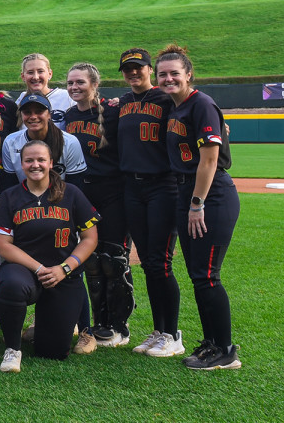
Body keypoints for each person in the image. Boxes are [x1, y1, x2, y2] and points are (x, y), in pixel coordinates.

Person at [157, 45, 241, 370]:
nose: (168, 78)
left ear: (188, 74)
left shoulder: (201, 104)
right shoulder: (176, 107)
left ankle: (225, 351)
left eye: (174, 73)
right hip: (189, 194)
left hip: (210, 196)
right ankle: (212, 344)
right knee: (197, 275)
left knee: (207, 276)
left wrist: (197, 204)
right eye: (162, 74)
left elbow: (210, 160)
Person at [0, 140, 99, 372]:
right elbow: (2, 245)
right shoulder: (10, 197)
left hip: (62, 274)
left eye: (41, 159)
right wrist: (39, 268)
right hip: (25, 271)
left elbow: (90, 238)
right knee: (11, 284)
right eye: (29, 160)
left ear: (51, 163)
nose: (35, 164)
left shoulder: (71, 193)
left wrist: (65, 268)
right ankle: (13, 348)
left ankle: (42, 327)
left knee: (52, 351)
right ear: (21, 164)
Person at [115, 47, 182, 357]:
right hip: (132, 187)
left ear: (149, 69)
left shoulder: (166, 100)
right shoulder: (123, 102)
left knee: (160, 262)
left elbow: (194, 117)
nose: (133, 73)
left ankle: (172, 333)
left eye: (138, 67)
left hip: (161, 186)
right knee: (148, 263)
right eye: (128, 68)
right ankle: (158, 330)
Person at [64, 62, 128, 354]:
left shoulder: (112, 111)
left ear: (94, 84)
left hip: (112, 192)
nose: (75, 88)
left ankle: (118, 325)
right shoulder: (69, 115)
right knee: (89, 261)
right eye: (71, 83)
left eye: (80, 82)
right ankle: (97, 323)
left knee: (113, 260)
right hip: (82, 193)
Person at [0, 94, 86, 193]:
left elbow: (75, 187)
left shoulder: (70, 142)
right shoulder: (11, 142)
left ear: (49, 114)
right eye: (27, 112)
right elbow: (9, 186)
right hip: (24, 200)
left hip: (61, 200)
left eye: (39, 111)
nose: (33, 117)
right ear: (21, 115)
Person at [16, 53, 71, 130]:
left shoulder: (66, 97)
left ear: (50, 74)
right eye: (30, 72)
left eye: (40, 71)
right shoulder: (21, 100)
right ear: (23, 76)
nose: (35, 77)